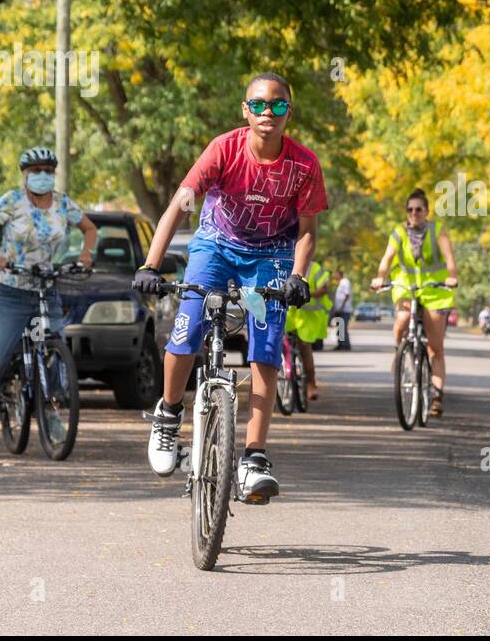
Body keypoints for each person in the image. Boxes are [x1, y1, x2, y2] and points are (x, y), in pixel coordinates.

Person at [132, 72, 326, 503]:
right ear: (245, 109)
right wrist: (150, 264)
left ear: (288, 113)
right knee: (188, 326)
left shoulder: (305, 165)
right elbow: (177, 208)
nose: (267, 113)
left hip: (272, 253)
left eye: (277, 105)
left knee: (266, 344)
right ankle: (168, 416)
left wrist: (298, 276)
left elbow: (308, 231)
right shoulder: (223, 149)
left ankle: (254, 457)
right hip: (215, 245)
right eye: (258, 104)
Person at [0, 147, 97, 451]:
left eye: (47, 170)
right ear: (25, 175)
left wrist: (86, 252)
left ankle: (53, 413)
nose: (42, 176)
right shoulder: (12, 201)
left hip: (46, 287)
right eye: (36, 171)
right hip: (8, 291)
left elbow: (89, 228)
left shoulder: (62, 203)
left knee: (55, 354)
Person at [370, 188, 459, 416]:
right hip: (406, 288)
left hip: (434, 291)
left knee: (434, 347)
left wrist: (451, 276)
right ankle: (400, 352)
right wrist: (380, 276)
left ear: (427, 211)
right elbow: (387, 258)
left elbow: (449, 258)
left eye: (419, 209)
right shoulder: (399, 232)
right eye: (410, 209)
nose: (414, 213)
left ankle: (437, 395)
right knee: (401, 319)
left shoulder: (437, 230)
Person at [284, 259, 332, 399]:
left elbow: (324, 289)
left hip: (308, 315)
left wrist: (305, 294)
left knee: (304, 347)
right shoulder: (284, 260)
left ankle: (311, 384)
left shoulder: (315, 267)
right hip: (289, 313)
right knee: (281, 344)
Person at [332, 268, 353, 350]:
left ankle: (346, 345)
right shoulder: (341, 283)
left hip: (344, 310)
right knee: (340, 327)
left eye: (335, 274)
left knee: (343, 327)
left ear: (339, 274)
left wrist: (341, 307)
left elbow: (347, 295)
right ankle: (340, 344)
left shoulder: (345, 282)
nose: (333, 276)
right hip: (340, 310)